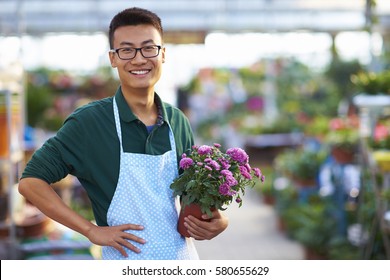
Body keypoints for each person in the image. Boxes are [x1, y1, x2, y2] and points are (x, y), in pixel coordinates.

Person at [18, 7, 228, 260]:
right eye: (126, 50)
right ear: (113, 58)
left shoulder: (177, 121)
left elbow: (190, 199)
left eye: (149, 48)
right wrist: (90, 230)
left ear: (163, 54)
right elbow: (31, 182)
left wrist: (218, 220)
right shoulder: (90, 122)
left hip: (181, 259)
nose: (139, 59)